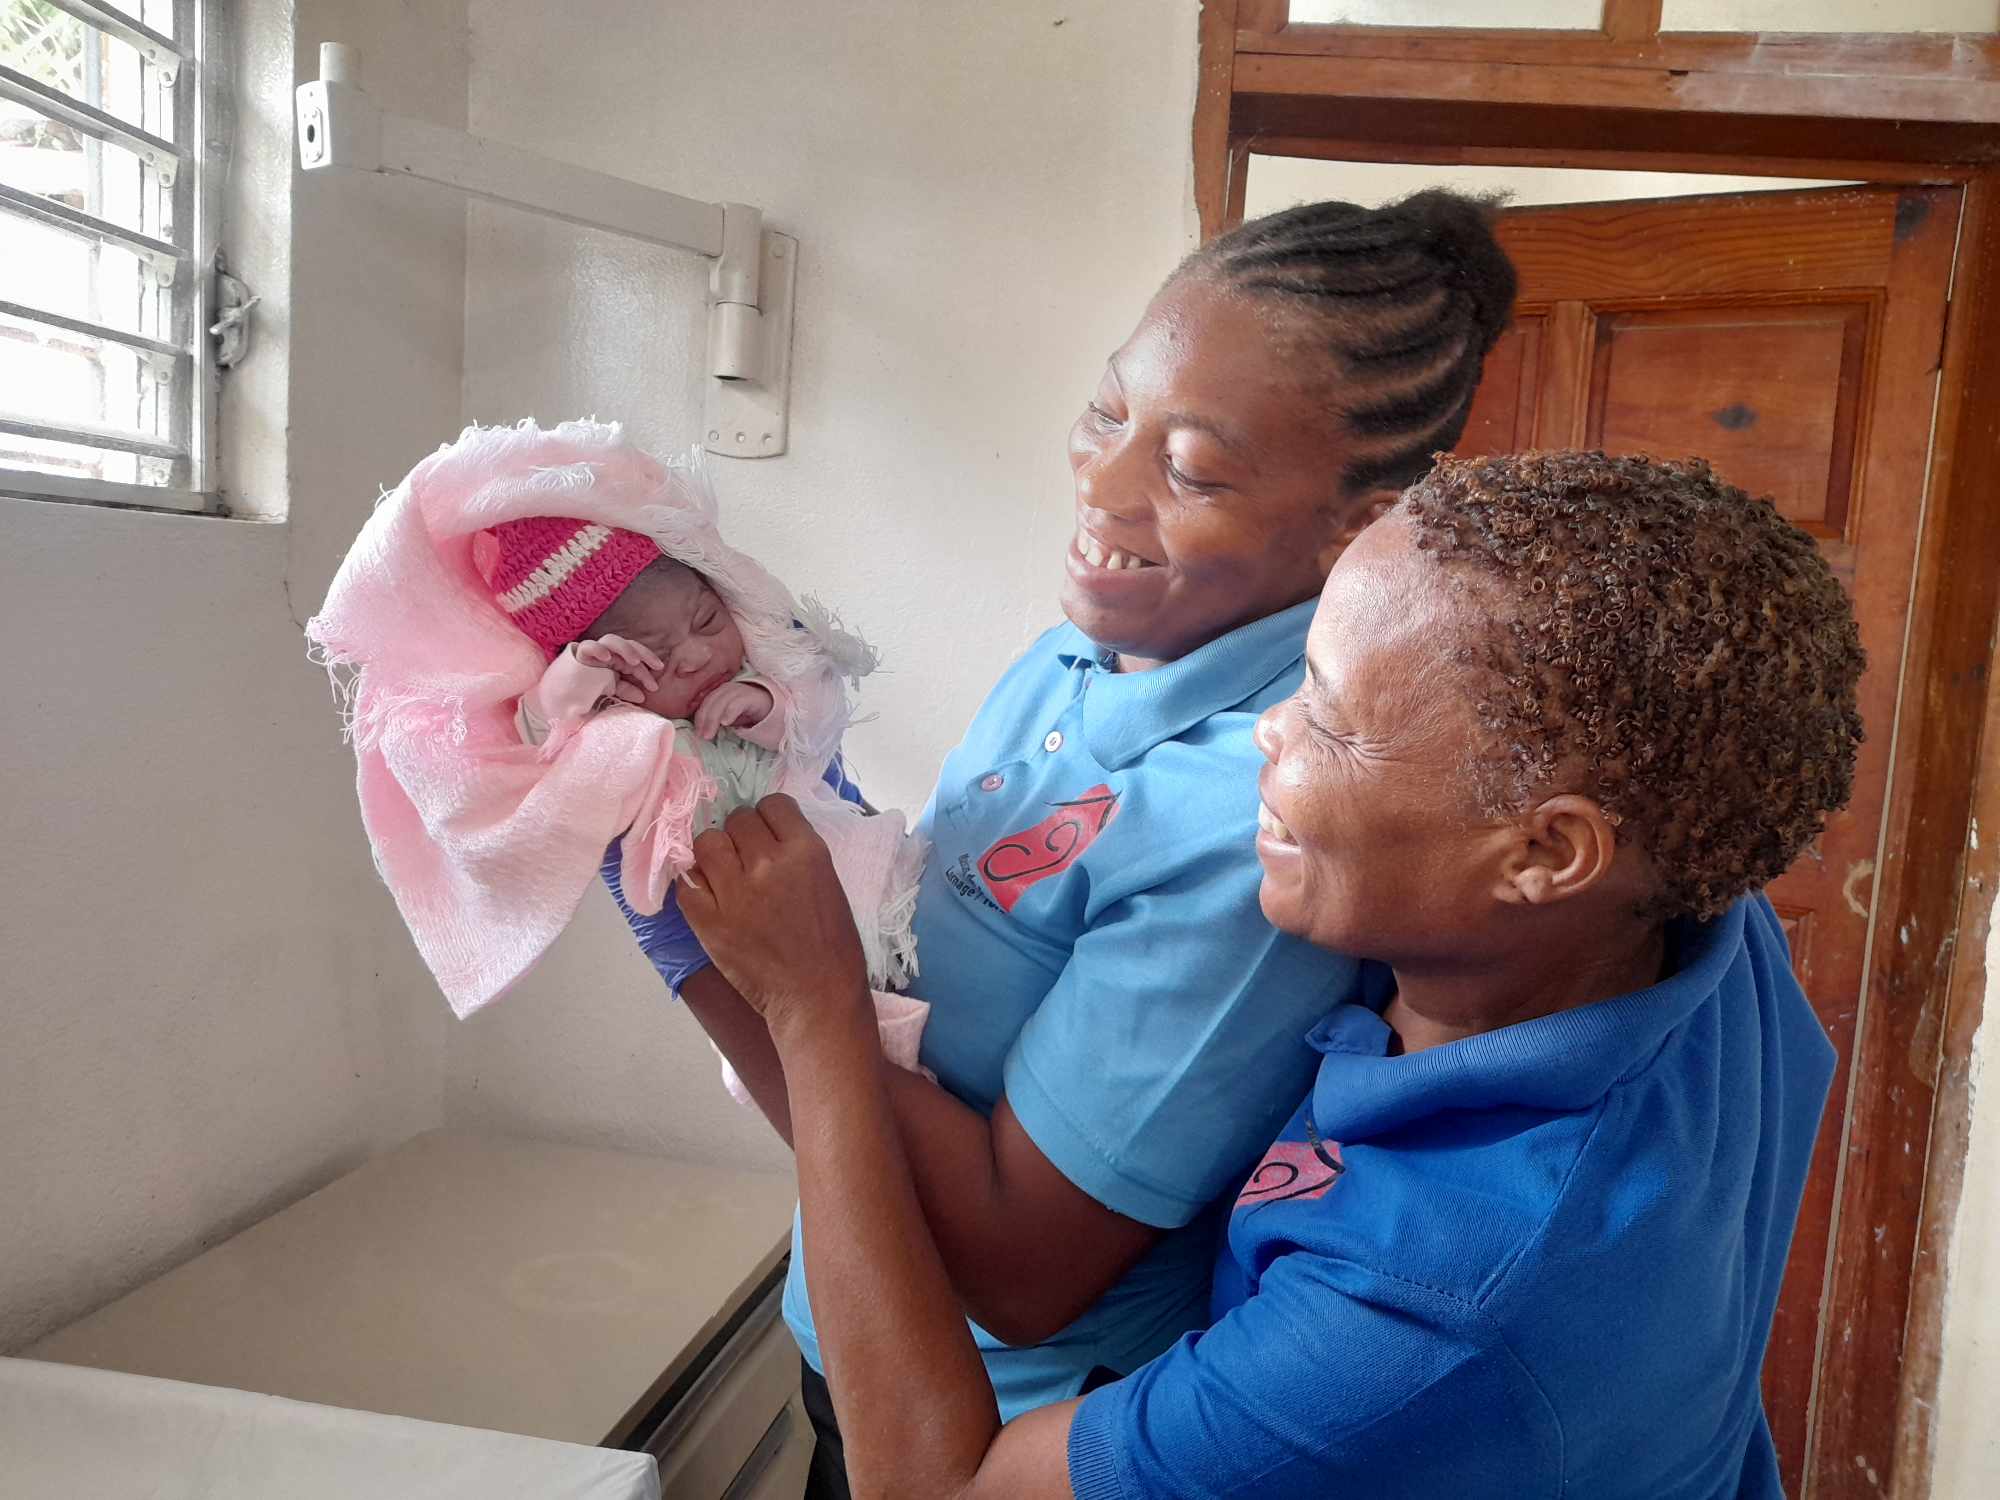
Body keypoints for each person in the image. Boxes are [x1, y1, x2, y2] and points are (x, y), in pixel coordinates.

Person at [676, 450, 1863, 1499]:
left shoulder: (1423, 1310)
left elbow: (931, 1491)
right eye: (1296, 676)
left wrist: (808, 1004)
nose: (1265, 732)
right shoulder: (1691, 908)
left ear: (1545, 853)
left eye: (1334, 723)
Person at [607, 191, 1520, 1487]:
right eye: (1107, 412)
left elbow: (1024, 1272)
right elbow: (913, 981)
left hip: (989, 1418)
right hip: (848, 1319)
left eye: (1191, 468)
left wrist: (724, 964)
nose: (1100, 483)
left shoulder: (1257, 820)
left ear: (1358, 520)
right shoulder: (1077, 652)